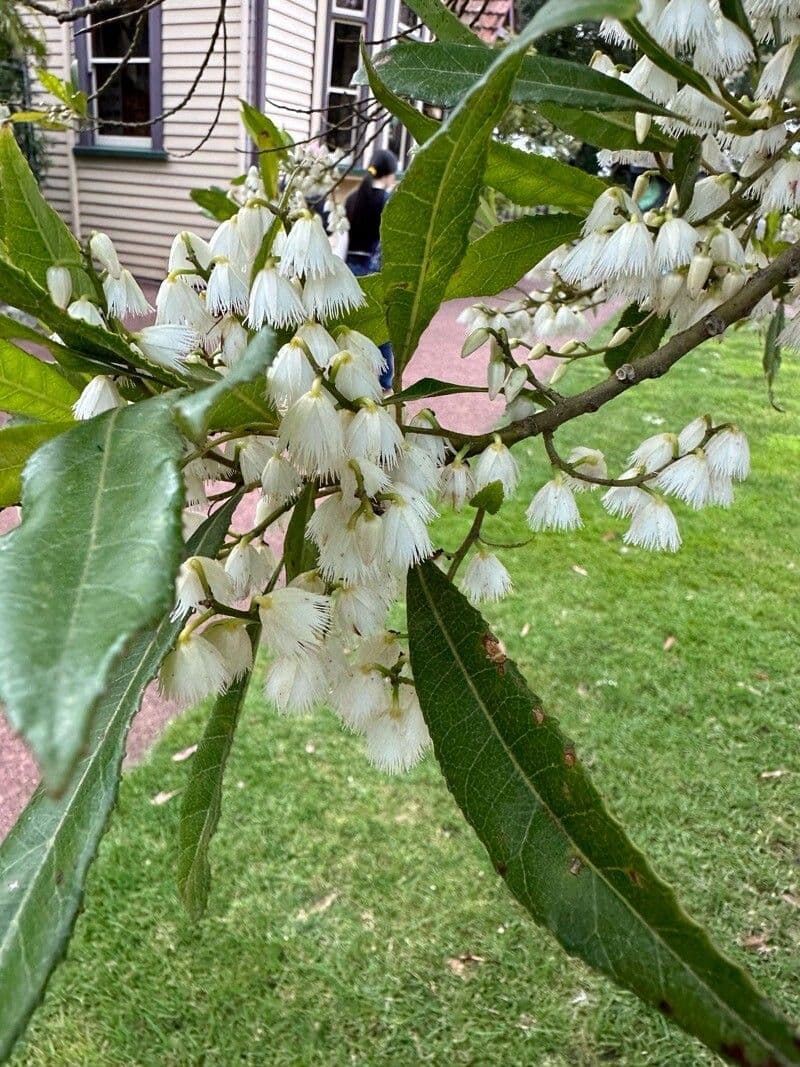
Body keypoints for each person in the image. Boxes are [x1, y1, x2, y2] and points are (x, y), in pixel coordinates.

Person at [345, 149, 398, 389]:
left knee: (351, 327)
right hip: (373, 269)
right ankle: (384, 382)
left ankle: (350, 377)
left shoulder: (351, 199)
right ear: (388, 175)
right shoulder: (387, 202)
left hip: (348, 271)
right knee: (381, 329)